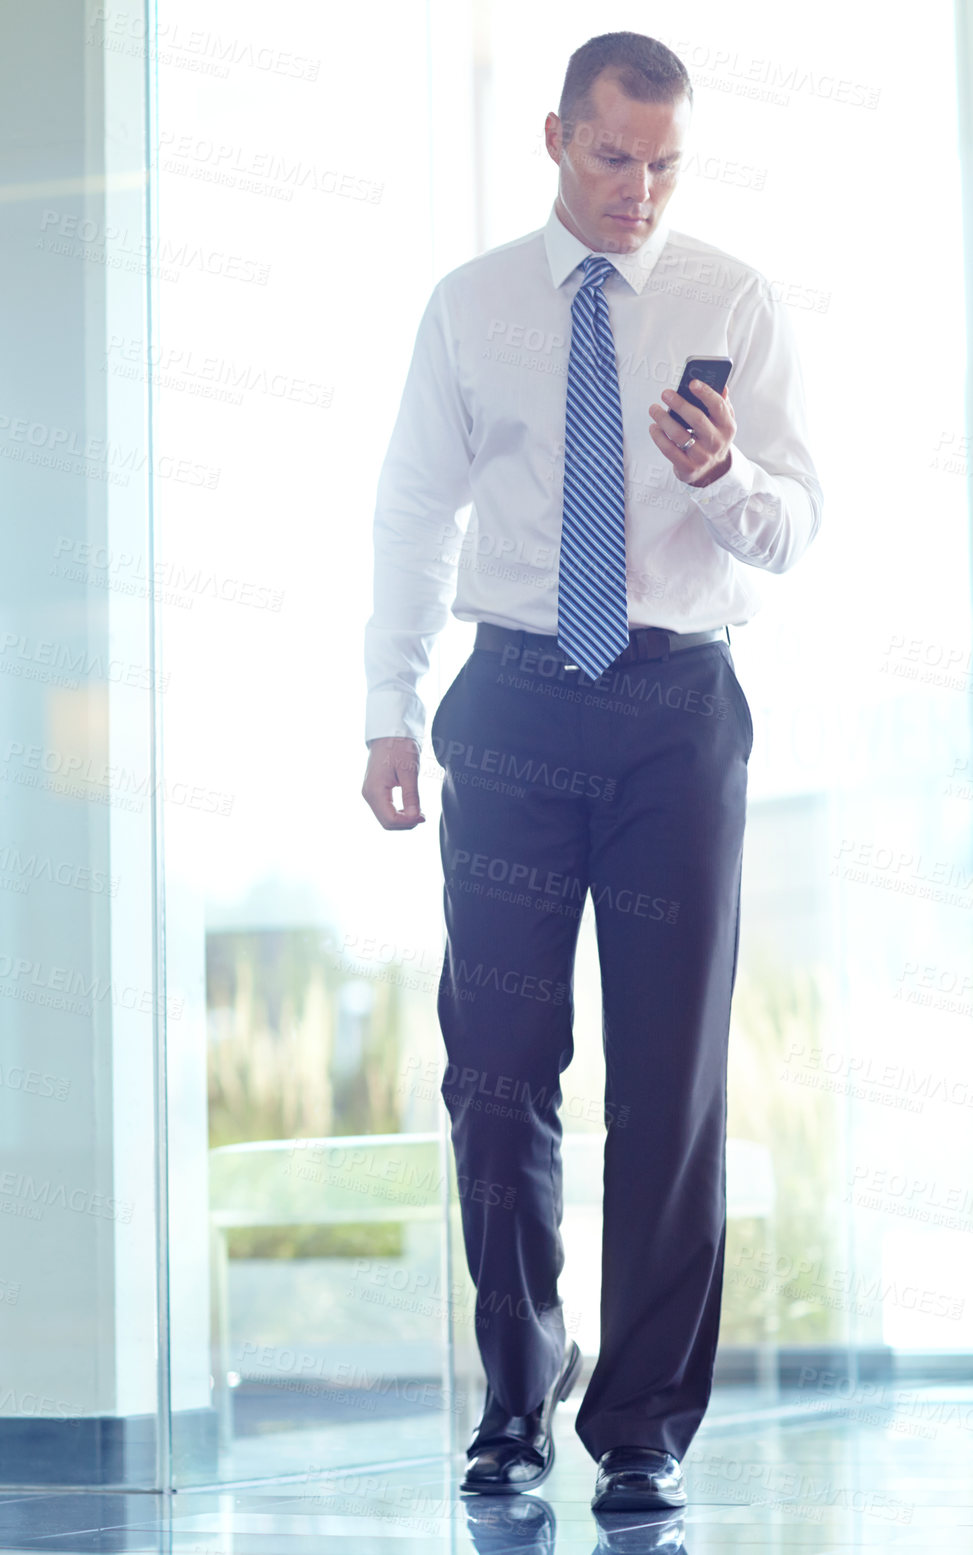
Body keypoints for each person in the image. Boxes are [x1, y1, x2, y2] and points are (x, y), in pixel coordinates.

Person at [361, 31, 821, 1514]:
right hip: (508, 706)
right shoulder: (471, 306)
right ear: (558, 136)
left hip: (677, 712)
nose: (640, 192)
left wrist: (722, 480)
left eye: (666, 163)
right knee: (495, 1075)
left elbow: (793, 528)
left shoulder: (730, 300)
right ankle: (513, 1396)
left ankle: (641, 1429)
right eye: (614, 158)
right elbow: (412, 514)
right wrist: (386, 704)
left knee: (670, 1080)